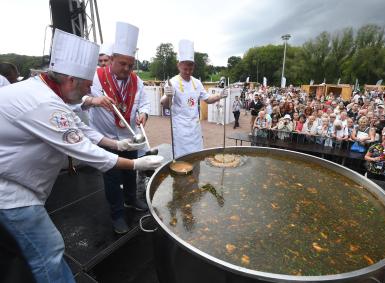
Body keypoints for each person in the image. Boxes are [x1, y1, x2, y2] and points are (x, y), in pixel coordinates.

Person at [0, 29, 162, 283]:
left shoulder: (50, 93)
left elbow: (83, 129)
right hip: (8, 190)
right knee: (49, 251)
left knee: (23, 254)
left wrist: (120, 145)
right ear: (70, 79)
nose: (90, 90)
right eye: (87, 84)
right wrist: (136, 163)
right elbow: (84, 150)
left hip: (18, 181)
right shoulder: (43, 102)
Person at [79, 22, 152, 234]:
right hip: (106, 137)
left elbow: (144, 102)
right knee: (112, 176)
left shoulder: (136, 81)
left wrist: (143, 114)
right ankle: (117, 214)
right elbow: (75, 101)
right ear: (110, 60)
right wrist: (93, 100)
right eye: (123, 64)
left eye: (131, 65)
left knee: (131, 170)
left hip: (129, 135)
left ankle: (131, 200)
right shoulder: (94, 77)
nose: (128, 70)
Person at [160, 39, 225, 158]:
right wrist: (167, 95)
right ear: (178, 66)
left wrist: (219, 95)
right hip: (180, 130)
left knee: (197, 158)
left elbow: (208, 99)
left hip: (195, 130)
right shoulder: (172, 82)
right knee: (182, 160)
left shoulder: (197, 82)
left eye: (191, 69)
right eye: (185, 69)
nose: (188, 72)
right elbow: (164, 103)